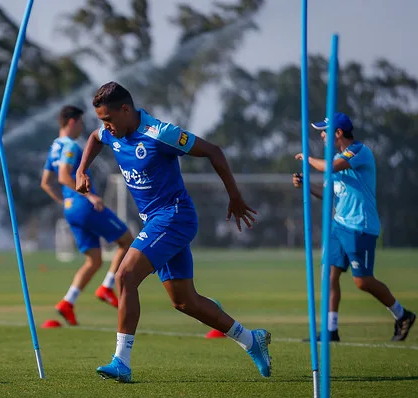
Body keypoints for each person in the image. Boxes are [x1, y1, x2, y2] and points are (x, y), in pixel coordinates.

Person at [75, 82, 272, 382]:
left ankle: (121, 361)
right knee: (184, 302)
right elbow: (94, 138)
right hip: (154, 222)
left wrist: (234, 196)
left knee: (125, 276)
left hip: (174, 216)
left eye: (109, 120)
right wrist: (81, 170)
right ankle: (250, 339)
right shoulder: (111, 133)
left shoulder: (160, 134)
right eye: (102, 121)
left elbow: (213, 151)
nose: (106, 127)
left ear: (126, 110)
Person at [293, 112, 415, 342]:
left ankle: (402, 314)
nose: (321, 135)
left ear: (338, 133)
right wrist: (307, 185)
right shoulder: (337, 158)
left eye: (324, 131)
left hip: (361, 226)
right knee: (329, 275)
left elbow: (331, 167)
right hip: (339, 226)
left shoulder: (358, 151)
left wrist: (308, 160)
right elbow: (330, 193)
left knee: (362, 281)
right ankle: (331, 330)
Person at [41, 105, 134, 326]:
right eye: (81, 123)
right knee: (127, 241)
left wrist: (66, 202)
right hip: (84, 205)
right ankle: (107, 287)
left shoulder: (54, 146)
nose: (81, 128)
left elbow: (46, 182)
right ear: (72, 122)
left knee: (94, 260)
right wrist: (90, 197)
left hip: (71, 209)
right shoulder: (70, 145)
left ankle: (67, 302)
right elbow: (63, 176)